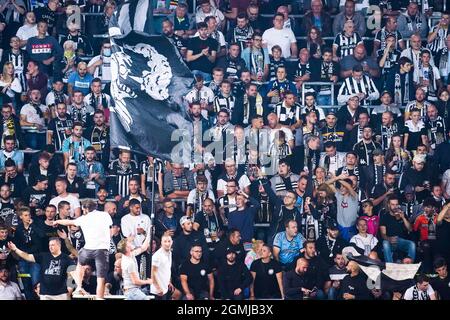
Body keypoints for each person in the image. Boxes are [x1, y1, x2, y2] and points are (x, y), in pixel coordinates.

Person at [53, 199, 112, 299]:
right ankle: (99, 298)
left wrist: (57, 221)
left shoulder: (84, 218)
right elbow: (110, 227)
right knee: (100, 279)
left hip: (88, 249)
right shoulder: (105, 215)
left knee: (79, 264)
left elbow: (69, 222)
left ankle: (79, 286)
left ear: (85, 209)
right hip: (102, 250)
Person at [8, 237, 73, 300]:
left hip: (62, 294)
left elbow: (72, 274)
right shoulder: (43, 256)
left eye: (52, 245)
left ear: (59, 245)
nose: (50, 247)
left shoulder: (67, 258)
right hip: (45, 294)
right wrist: (15, 249)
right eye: (49, 245)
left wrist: (70, 289)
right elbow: (27, 256)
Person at [380, 195, 416, 263]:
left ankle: (409, 264)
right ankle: (390, 266)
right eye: (393, 205)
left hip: (401, 241)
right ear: (388, 205)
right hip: (390, 241)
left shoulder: (403, 214)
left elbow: (410, 229)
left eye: (396, 204)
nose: (395, 207)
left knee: (412, 244)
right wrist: (389, 239)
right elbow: (383, 234)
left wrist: (403, 218)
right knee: (385, 243)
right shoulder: (384, 216)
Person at [116, 234, 152, 300]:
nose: (131, 243)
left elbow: (144, 247)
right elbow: (135, 281)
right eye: (129, 243)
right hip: (132, 291)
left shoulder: (129, 255)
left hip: (132, 291)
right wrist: (148, 281)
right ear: (127, 248)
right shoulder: (129, 262)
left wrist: (149, 234)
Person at [151, 234, 180, 300]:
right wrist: (158, 288)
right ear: (161, 242)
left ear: (172, 242)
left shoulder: (169, 253)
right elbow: (153, 274)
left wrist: (168, 282)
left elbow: (166, 269)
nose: (167, 244)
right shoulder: (157, 256)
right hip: (157, 290)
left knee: (178, 294)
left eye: (169, 241)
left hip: (165, 286)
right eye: (165, 241)